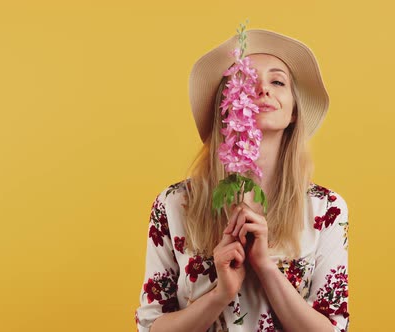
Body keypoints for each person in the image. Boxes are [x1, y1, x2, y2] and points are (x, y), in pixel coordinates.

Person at [135, 29, 350, 332]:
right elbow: (150, 327)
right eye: (246, 82)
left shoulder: (326, 209)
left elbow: (333, 329)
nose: (263, 89)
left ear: (293, 113)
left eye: (277, 82)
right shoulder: (176, 204)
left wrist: (264, 266)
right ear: (227, 108)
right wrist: (221, 294)